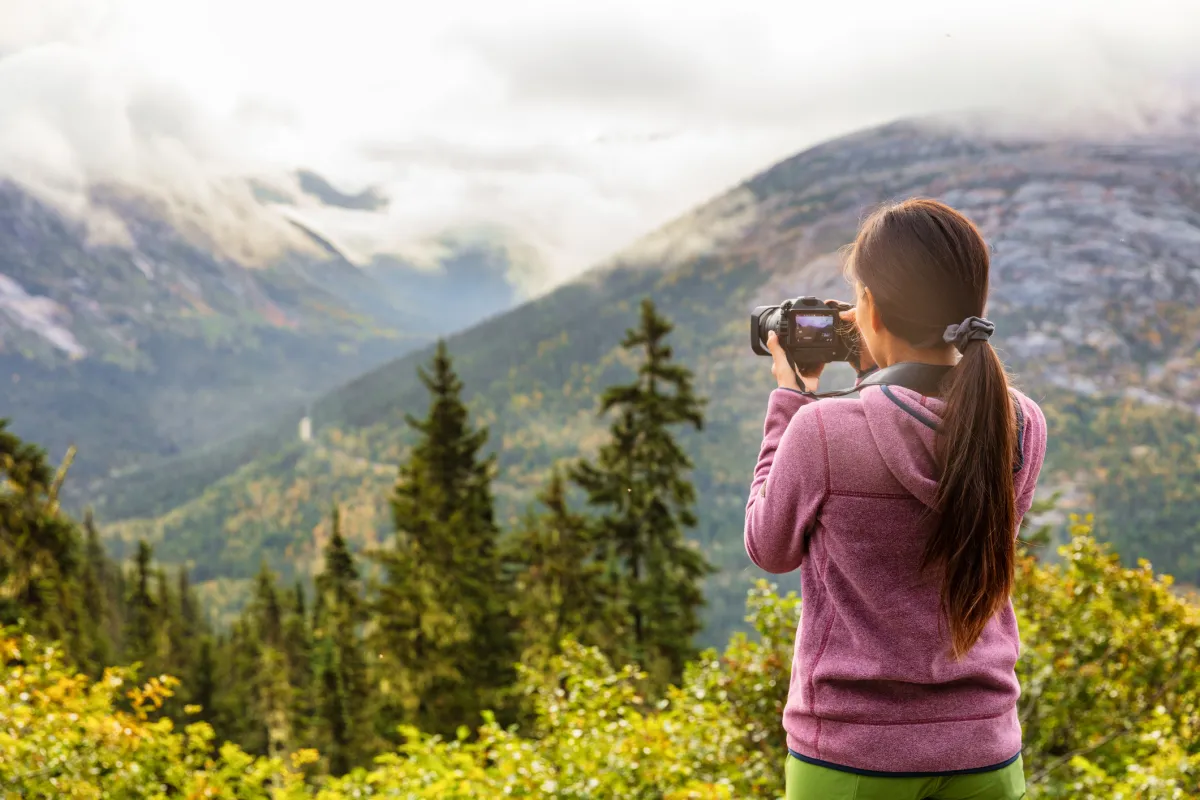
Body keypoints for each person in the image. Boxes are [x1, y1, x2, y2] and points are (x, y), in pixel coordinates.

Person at [745, 198, 1046, 800]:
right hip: (983, 748)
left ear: (872, 310)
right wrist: (879, 367)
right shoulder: (1018, 422)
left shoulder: (822, 430)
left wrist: (791, 399)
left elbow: (768, 546)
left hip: (852, 753)